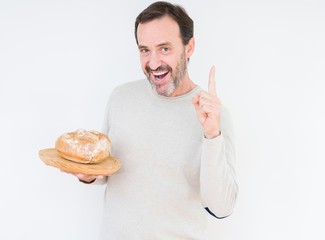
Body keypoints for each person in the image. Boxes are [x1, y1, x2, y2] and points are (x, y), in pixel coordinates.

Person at [62, 1, 238, 239]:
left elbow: (222, 207)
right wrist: (88, 174)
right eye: (145, 49)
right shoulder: (121, 97)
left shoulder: (213, 116)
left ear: (189, 47)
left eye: (164, 48)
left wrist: (211, 135)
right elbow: (104, 170)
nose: (153, 63)